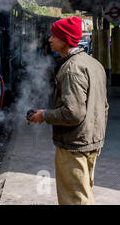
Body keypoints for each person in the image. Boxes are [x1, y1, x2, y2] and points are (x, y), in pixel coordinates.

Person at [28, 16, 109, 205]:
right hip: (90, 141)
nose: (49, 39)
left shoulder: (71, 69)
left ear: (64, 40)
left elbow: (73, 113)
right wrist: (99, 140)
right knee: (83, 192)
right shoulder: (94, 64)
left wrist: (44, 115)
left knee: (75, 199)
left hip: (74, 145)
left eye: (54, 36)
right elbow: (103, 106)